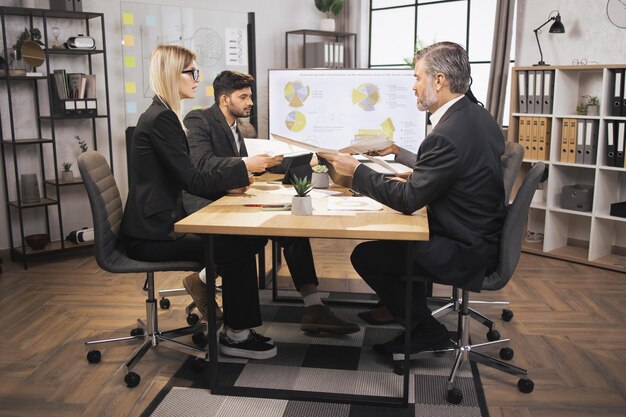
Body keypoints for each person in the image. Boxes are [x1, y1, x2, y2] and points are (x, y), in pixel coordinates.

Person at [319, 42, 506, 354]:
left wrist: (357, 171)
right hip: (479, 235)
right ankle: (401, 310)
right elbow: (449, 168)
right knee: (399, 243)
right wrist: (396, 153)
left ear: (439, 80)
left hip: (465, 248)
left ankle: (425, 330)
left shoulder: (447, 133)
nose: (414, 86)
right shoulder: (476, 116)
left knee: (367, 256)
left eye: (418, 78)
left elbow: (408, 200)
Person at [121, 44, 276, 360]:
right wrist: (243, 168)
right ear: (171, 74)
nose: (196, 79)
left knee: (240, 241)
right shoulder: (163, 119)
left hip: (157, 225)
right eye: (191, 72)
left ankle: (236, 327)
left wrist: (231, 189)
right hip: (152, 234)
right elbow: (191, 178)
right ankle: (236, 336)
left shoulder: (163, 115)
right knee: (235, 248)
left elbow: (186, 177)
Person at [182, 70, 359, 335]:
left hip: (231, 197)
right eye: (243, 97)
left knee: (293, 231)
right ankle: (204, 283)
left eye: (250, 96)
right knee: (253, 238)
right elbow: (202, 163)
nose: (250, 102)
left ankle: (314, 307)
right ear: (223, 99)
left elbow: (261, 163)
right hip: (205, 202)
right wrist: (244, 164)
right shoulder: (199, 119)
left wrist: (309, 158)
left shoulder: (237, 127)